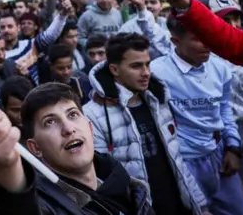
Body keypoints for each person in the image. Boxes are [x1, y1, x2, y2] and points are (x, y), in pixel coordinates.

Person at [0, 84, 153, 215]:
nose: (68, 129)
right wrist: (6, 162)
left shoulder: (133, 189)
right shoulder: (44, 206)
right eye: (50, 122)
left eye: (73, 114)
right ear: (35, 148)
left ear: (90, 127)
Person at [84, 33, 207, 214]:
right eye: (136, 66)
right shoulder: (92, 115)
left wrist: (200, 205)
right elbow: (101, 179)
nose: (146, 72)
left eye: (148, 64)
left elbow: (178, 162)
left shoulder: (158, 101)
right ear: (114, 70)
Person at [151, 15, 243, 215]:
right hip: (183, 163)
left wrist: (233, 146)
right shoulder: (156, 72)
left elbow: (224, 110)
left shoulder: (220, 68)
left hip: (219, 156)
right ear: (175, 41)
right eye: (198, 39)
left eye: (208, 36)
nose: (207, 44)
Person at [0, 0, 70, 85]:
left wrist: (63, 15)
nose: (6, 30)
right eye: (2, 27)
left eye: (10, 26)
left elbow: (50, 35)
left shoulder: (30, 45)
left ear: (18, 28)